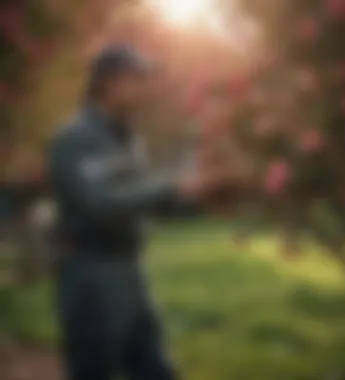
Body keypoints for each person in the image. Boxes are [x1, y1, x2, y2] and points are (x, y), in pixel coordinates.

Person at [47, 44, 229, 380]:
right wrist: (172, 187)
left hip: (131, 270)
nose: (145, 86)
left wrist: (201, 192)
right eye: (136, 77)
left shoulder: (128, 140)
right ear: (108, 83)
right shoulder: (75, 139)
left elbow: (148, 200)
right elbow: (101, 204)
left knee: (156, 370)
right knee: (93, 371)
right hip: (91, 274)